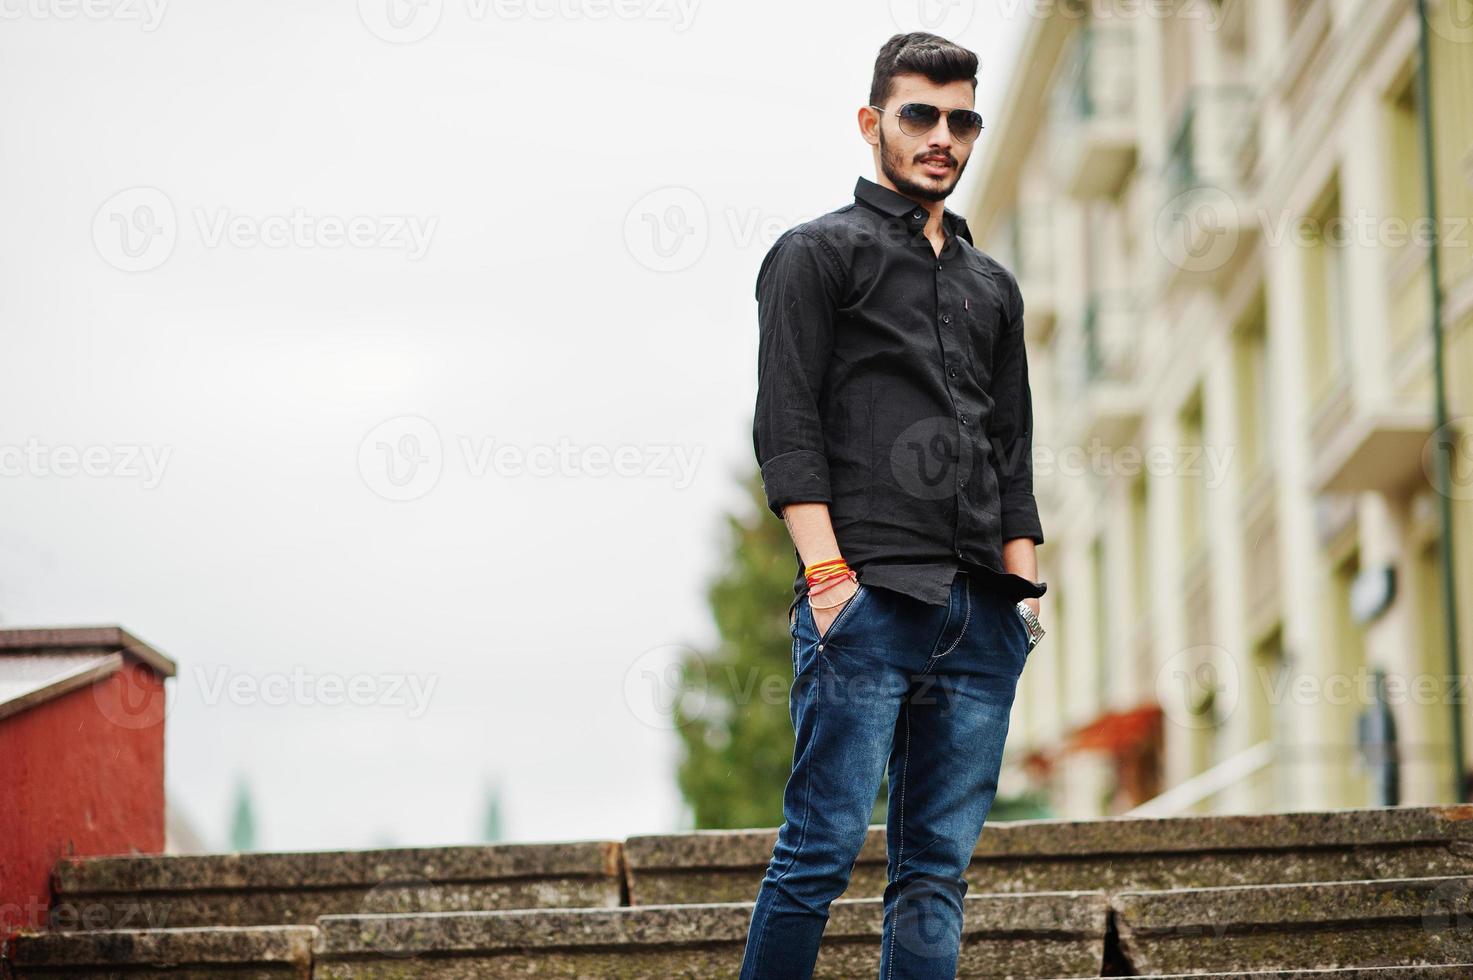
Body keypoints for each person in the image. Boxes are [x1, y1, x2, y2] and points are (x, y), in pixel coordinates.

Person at [740, 30, 1049, 980]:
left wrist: (1024, 593)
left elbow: (1012, 450)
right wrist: (829, 581)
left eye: (962, 120)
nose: (941, 137)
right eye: (919, 115)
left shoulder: (992, 286)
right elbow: (785, 428)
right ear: (873, 123)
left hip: (980, 613)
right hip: (866, 599)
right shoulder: (813, 256)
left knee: (935, 877)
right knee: (818, 855)